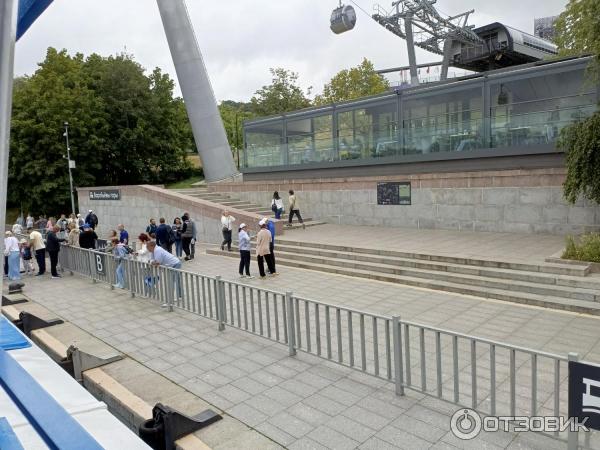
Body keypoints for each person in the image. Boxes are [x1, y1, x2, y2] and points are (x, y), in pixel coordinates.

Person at [147, 240, 183, 305]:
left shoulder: (157, 250)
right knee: (175, 280)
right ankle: (179, 296)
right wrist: (152, 262)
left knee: (172, 281)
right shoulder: (153, 251)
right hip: (172, 264)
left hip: (174, 264)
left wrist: (152, 262)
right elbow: (151, 260)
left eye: (147, 247)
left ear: (152, 246)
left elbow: (157, 262)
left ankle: (170, 301)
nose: (147, 249)